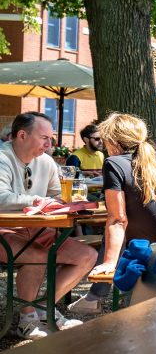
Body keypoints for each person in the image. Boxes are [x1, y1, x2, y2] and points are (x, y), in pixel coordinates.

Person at [68, 114, 156, 315]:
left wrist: (107, 265)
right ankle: (94, 297)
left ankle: (95, 296)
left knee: (114, 228)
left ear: (113, 141)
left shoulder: (113, 163)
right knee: (118, 229)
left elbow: (117, 219)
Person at [0, 112, 94, 338]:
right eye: (44, 138)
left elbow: (56, 196)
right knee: (37, 256)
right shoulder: (2, 157)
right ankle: (27, 319)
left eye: (50, 139)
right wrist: (35, 200)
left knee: (87, 255)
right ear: (22, 135)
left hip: (38, 229)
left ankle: (45, 308)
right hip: (4, 231)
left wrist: (70, 202)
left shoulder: (46, 161)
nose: (50, 144)